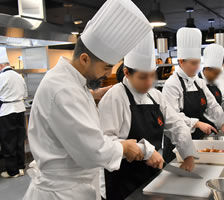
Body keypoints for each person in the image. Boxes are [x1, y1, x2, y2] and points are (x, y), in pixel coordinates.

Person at [23, 0, 153, 199]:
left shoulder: (71, 82)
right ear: (84, 59)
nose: (109, 73)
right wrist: (124, 147)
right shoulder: (63, 89)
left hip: (77, 187)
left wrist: (92, 95)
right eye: (106, 67)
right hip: (62, 193)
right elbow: (93, 151)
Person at [98, 31, 196, 200]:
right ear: (127, 73)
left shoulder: (155, 96)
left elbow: (177, 125)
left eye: (152, 75)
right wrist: (146, 151)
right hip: (122, 181)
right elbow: (104, 144)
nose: (149, 82)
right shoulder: (114, 98)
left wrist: (187, 154)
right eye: (143, 77)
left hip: (150, 176)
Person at [162, 28, 224, 162]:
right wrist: (197, 123)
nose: (197, 67)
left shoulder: (199, 82)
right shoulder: (172, 84)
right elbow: (172, 116)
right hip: (177, 144)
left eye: (198, 62)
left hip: (197, 139)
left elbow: (213, 105)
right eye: (193, 63)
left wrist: (223, 121)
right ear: (181, 61)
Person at [0, 47, 27, 178]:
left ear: (1, 65)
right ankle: (21, 167)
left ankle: (12, 171)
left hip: (7, 112)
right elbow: (25, 94)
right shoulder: (19, 76)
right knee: (19, 139)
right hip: (20, 110)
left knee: (8, 141)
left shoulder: (2, 77)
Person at [198, 44, 224, 119]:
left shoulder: (214, 80)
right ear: (207, 69)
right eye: (215, 73)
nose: (217, 76)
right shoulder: (196, 82)